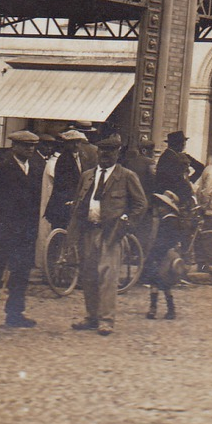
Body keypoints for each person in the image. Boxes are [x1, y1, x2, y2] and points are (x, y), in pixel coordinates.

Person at [68, 134, 147, 337]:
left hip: (111, 233)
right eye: (102, 151)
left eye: (110, 151)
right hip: (89, 230)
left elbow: (141, 204)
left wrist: (126, 222)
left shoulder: (126, 176)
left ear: (117, 153)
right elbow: (79, 202)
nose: (104, 155)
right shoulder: (87, 176)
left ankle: (106, 320)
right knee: (89, 275)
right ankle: (91, 317)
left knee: (108, 276)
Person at [0, 129, 45, 330]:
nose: (30, 149)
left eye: (33, 146)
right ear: (14, 146)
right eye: (26, 146)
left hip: (25, 232)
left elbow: (35, 201)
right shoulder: (0, 168)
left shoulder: (35, 167)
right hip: (3, 230)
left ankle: (15, 314)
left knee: (20, 274)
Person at [143, 191, 192, 320]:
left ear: (168, 207)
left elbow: (163, 240)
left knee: (156, 281)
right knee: (165, 283)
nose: (159, 209)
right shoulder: (174, 220)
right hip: (169, 253)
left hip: (163, 254)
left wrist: (153, 254)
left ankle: (155, 309)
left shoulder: (169, 221)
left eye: (162, 206)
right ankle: (170, 309)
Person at [155, 130, 204, 207]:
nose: (183, 145)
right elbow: (171, 179)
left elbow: (200, 167)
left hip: (175, 195)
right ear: (176, 144)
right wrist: (187, 182)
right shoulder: (168, 157)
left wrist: (189, 180)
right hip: (171, 196)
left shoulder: (177, 156)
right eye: (182, 143)